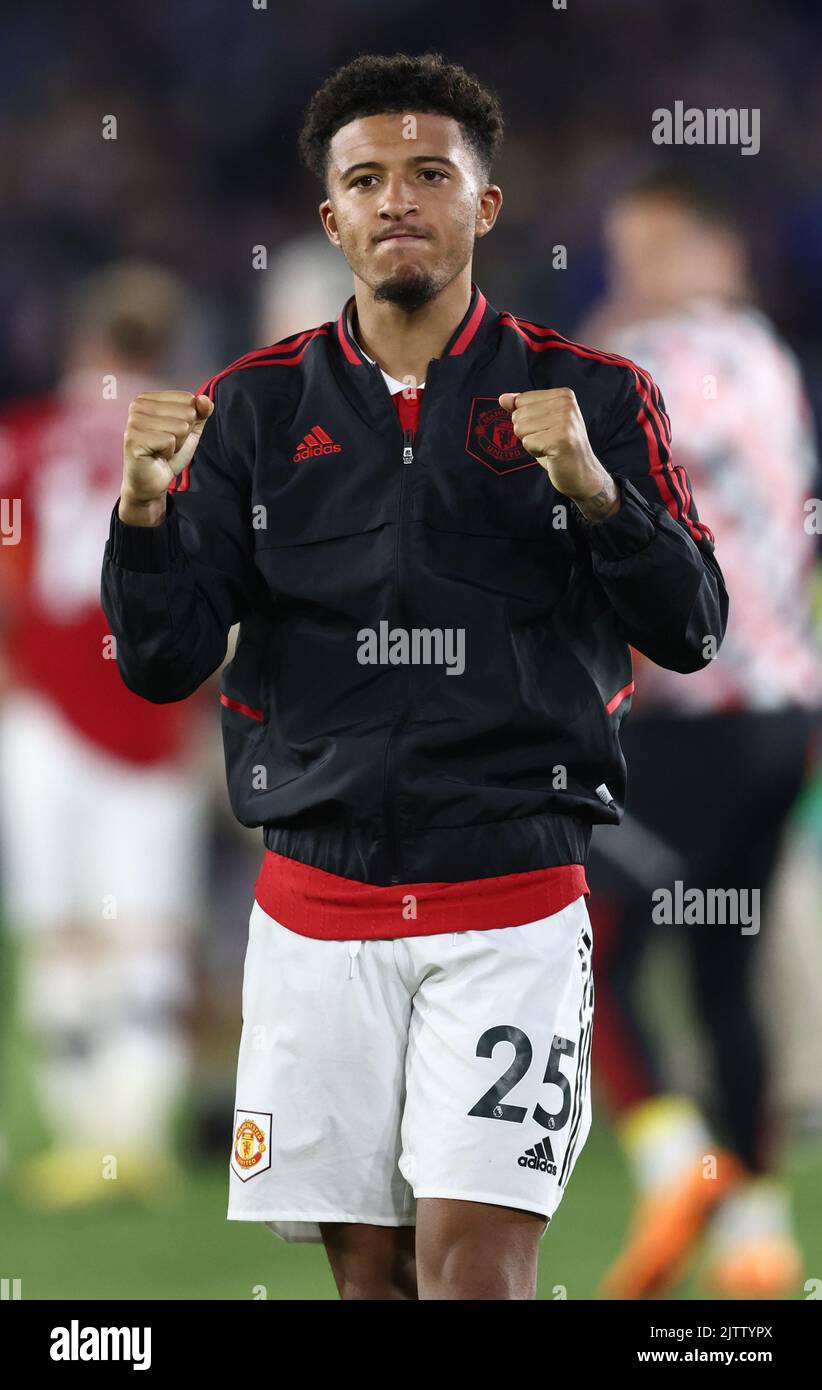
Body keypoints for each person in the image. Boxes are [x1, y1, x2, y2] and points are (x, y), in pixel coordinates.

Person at [100, 53, 726, 1300]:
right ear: (331, 217)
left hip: (510, 907)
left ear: (484, 207)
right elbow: (163, 661)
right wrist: (142, 516)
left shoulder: (598, 395)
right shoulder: (252, 411)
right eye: (368, 180)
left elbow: (694, 624)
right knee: (369, 1281)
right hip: (314, 912)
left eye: (430, 174)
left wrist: (599, 495)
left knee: (474, 1273)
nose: (398, 200)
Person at [577, 168, 822, 1298]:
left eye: (661, 247)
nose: (638, 274)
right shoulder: (774, 362)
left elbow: (590, 470)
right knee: (723, 976)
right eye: (627, 250)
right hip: (783, 718)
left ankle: (677, 1163)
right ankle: (759, 1237)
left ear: (719, 252)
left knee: (587, 940)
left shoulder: (670, 366)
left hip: (695, 720)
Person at [0, 262, 211, 1207]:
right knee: (151, 929)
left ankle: (80, 1133)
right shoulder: (194, 440)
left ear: (84, 341)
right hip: (151, 706)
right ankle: (137, 1137)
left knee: (60, 929)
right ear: (165, 348)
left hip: (40, 710)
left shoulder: (28, 440)